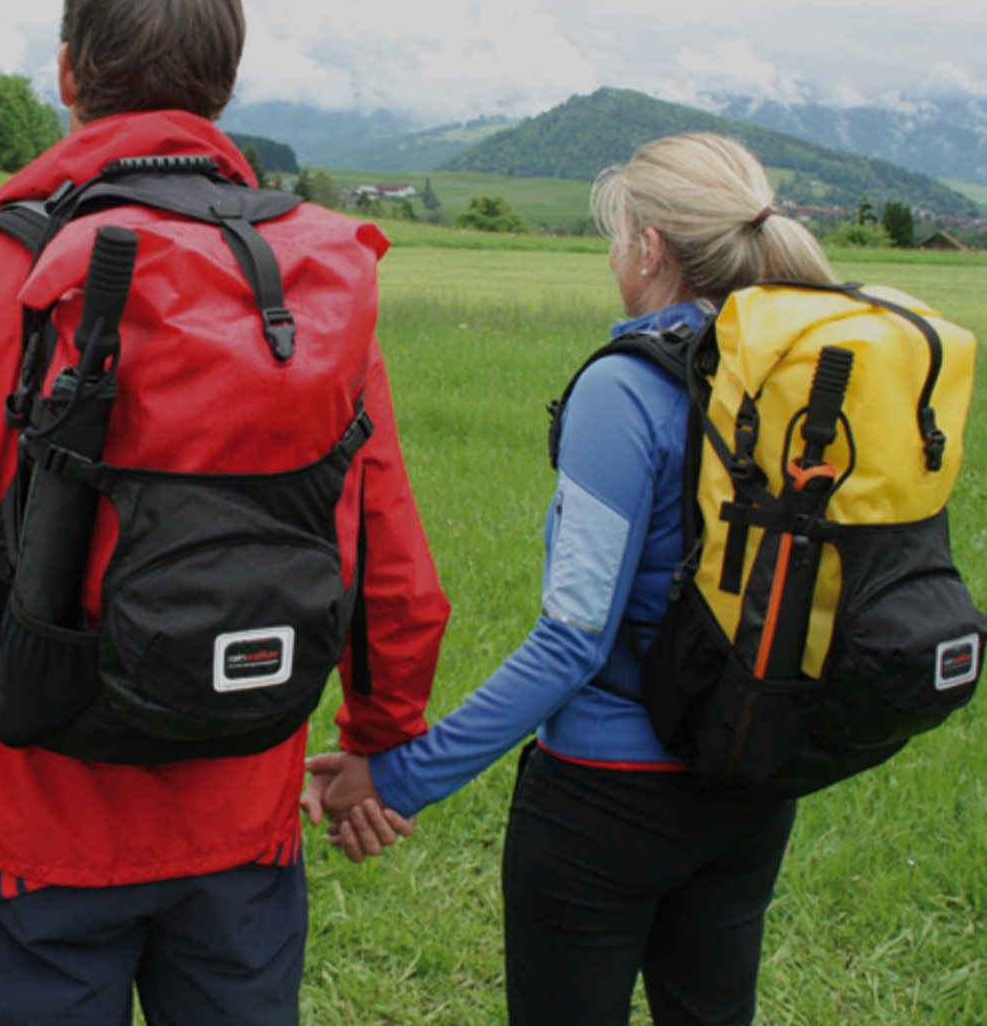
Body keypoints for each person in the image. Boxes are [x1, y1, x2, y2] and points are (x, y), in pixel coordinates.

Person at [0, 0, 448, 1026]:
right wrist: (384, 732)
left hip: (34, 825)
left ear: (68, 74)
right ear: (225, 86)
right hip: (242, 795)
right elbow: (379, 528)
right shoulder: (303, 286)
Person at [304, 132, 838, 1024]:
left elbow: (573, 639)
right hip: (752, 776)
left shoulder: (627, 389)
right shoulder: (805, 380)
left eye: (617, 234)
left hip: (605, 798)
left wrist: (399, 778)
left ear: (651, 249)